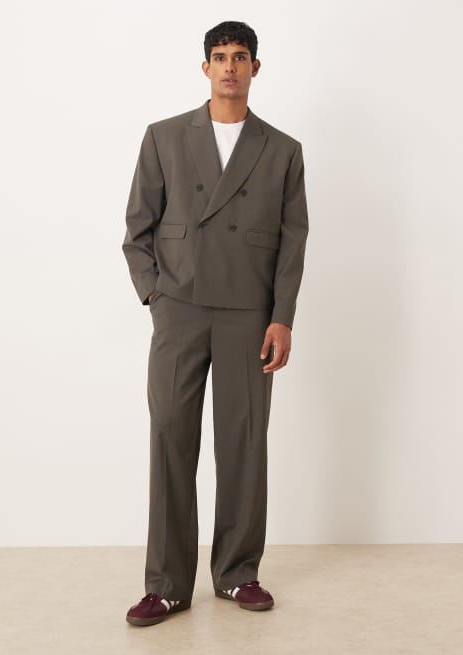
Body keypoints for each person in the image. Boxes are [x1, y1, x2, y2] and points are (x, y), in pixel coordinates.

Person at [122, 20, 309, 627]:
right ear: (205, 67)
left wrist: (281, 317)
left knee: (244, 442)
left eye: (241, 56)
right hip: (179, 309)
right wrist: (155, 296)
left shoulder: (282, 150)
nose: (230, 66)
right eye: (220, 56)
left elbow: (293, 241)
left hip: (249, 314)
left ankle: (237, 573)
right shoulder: (164, 137)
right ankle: (167, 585)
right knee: (170, 439)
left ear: (256, 67)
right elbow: (137, 229)